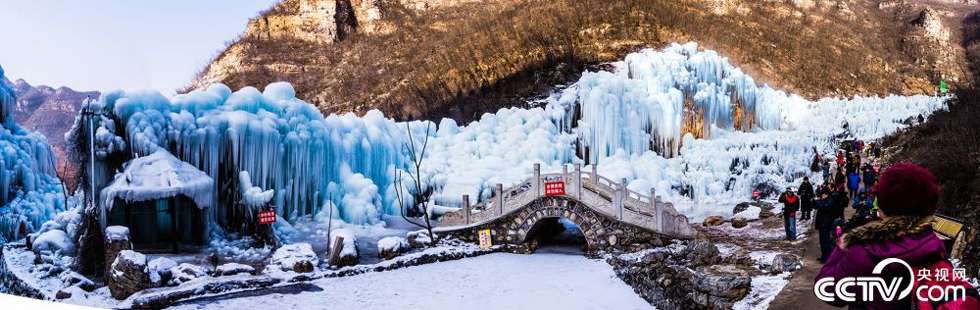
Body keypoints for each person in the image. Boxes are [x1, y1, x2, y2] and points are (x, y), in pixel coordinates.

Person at [816, 163, 978, 309]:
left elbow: (825, 289)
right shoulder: (932, 243)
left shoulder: (867, 253)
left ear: (883, 205)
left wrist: (849, 239)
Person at [812, 191, 836, 262]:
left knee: (826, 241)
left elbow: (823, 208)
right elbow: (815, 206)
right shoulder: (822, 200)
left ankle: (827, 257)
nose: (821, 196)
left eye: (822, 194)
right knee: (822, 241)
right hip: (821, 224)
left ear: (826, 194)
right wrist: (814, 200)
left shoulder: (830, 201)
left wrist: (818, 201)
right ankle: (823, 256)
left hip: (826, 224)